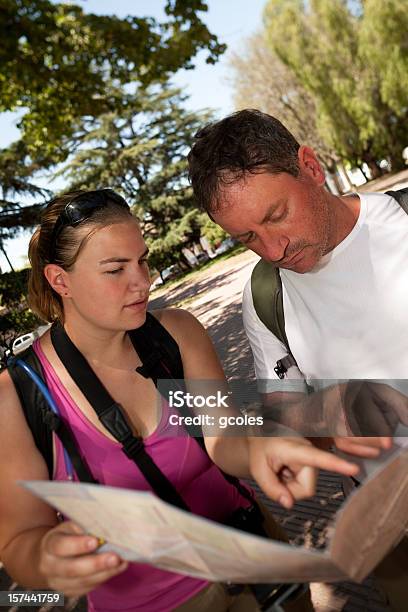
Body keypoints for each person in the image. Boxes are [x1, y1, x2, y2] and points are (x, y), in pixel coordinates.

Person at [0, 189, 361, 612]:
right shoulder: (18, 394)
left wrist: (263, 447)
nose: (142, 281)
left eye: (142, 261)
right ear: (60, 281)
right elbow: (18, 542)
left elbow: (223, 437)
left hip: (258, 564)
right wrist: (45, 559)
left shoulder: (176, 333)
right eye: (116, 269)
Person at [187, 109, 408, 609]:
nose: (274, 248)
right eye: (246, 238)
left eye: (275, 215)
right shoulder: (265, 297)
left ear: (310, 167)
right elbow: (288, 416)